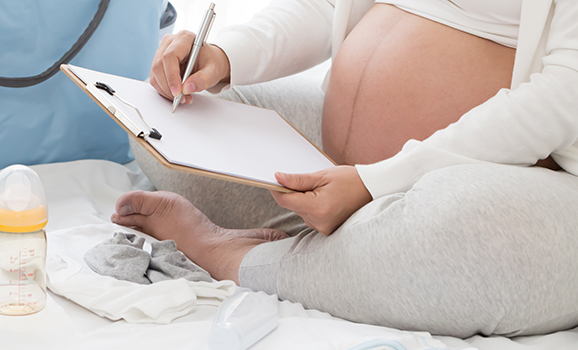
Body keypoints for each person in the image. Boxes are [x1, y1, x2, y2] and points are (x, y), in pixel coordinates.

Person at [111, 0, 578, 338]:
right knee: (166, 123)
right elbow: (326, 6)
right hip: (349, 166)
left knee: (462, 228)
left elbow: (563, 96)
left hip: (520, 183)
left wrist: (380, 181)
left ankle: (231, 256)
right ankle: (351, 247)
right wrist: (224, 56)